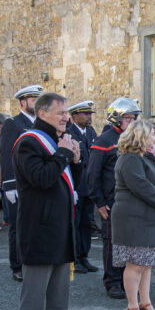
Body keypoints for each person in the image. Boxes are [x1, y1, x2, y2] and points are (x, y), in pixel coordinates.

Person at [12, 92, 83, 310]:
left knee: (58, 293)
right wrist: (64, 153)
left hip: (60, 228)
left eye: (66, 112)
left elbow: (69, 185)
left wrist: (75, 160)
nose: (66, 117)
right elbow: (41, 178)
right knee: (34, 295)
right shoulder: (29, 141)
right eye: (61, 112)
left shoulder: (58, 141)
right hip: (38, 229)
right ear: (42, 114)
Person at [110, 119, 155, 310]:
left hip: (150, 216)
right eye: (151, 133)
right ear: (140, 136)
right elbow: (142, 187)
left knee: (146, 265)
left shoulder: (148, 157)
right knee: (135, 264)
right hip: (134, 219)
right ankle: (132, 306)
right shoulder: (129, 159)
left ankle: (145, 303)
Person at [88, 97, 140, 299]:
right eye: (128, 118)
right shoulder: (104, 140)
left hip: (131, 203)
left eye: (134, 118)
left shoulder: (132, 139)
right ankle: (113, 282)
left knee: (131, 243)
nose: (132, 122)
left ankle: (128, 280)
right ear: (116, 118)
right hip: (111, 202)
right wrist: (99, 202)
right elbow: (93, 174)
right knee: (113, 243)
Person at [0, 85, 43, 281]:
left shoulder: (41, 123)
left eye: (38, 99)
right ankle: (17, 265)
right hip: (17, 183)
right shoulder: (13, 124)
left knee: (34, 224)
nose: (36, 103)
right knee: (18, 226)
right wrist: (9, 183)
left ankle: (31, 262)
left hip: (35, 183)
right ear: (23, 102)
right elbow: (6, 154)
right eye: (32, 99)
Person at [66, 101, 99, 274]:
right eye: (85, 114)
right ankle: (75, 258)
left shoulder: (91, 132)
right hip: (77, 186)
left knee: (86, 224)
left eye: (90, 114)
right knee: (75, 223)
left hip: (90, 186)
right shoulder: (68, 133)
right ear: (74, 116)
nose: (89, 117)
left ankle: (84, 256)